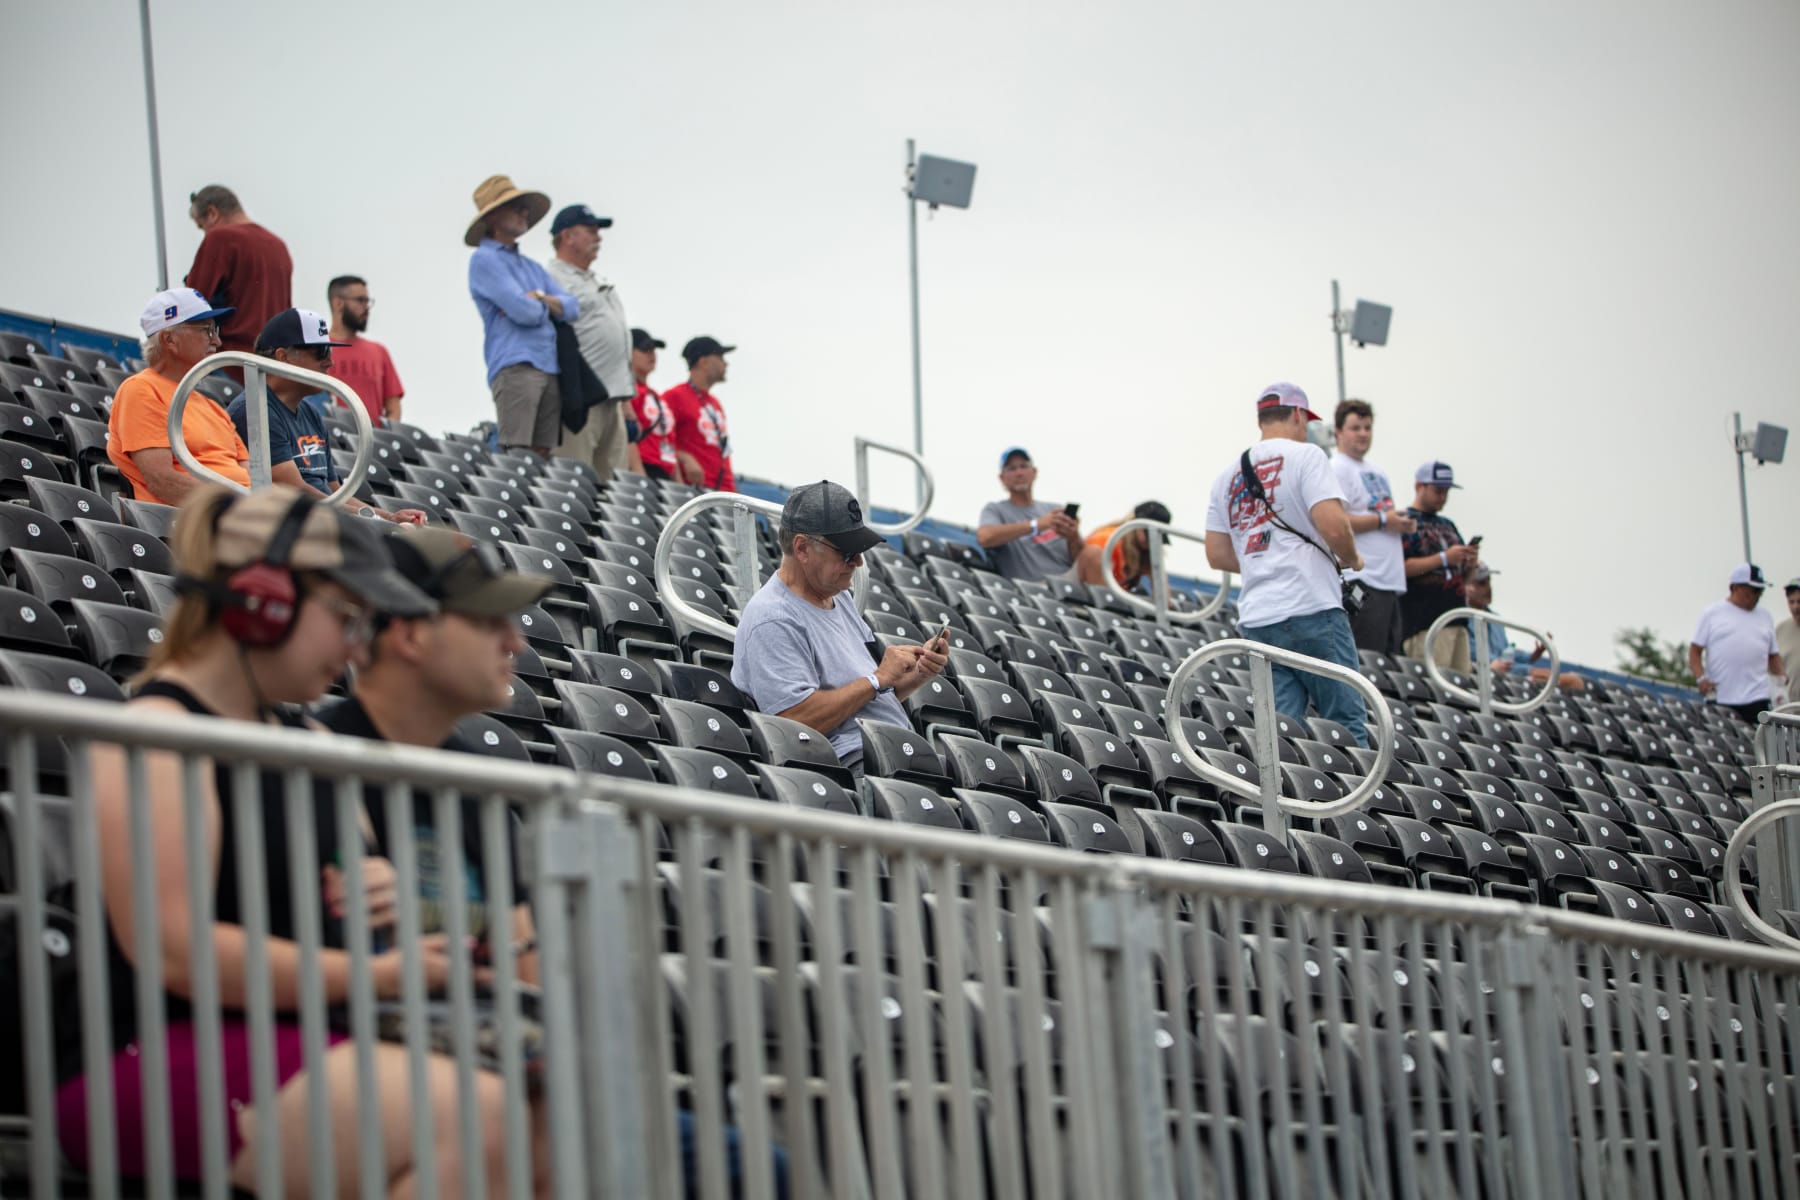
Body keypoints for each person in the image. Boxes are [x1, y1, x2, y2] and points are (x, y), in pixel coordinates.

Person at [55, 485, 540, 1194]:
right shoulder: (152, 733)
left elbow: (359, 900)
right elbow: (176, 949)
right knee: (480, 1114)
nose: (354, 647)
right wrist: (379, 973)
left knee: (546, 1124)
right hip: (150, 1053)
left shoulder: (308, 740)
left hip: (310, 1035)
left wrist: (389, 901)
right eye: (343, 617)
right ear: (262, 603)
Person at [316, 527, 550, 976]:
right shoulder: (306, 766)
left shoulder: (477, 779)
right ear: (410, 637)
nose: (515, 643)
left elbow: (525, 972)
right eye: (488, 621)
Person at [732, 480, 949, 775]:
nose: (858, 562)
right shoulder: (772, 618)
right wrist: (877, 679)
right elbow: (795, 720)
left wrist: (915, 676)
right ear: (803, 548)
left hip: (890, 751)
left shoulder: (839, 598)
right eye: (847, 552)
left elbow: (861, 699)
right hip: (851, 766)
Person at [1204, 383, 1370, 746]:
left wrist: (1261, 559)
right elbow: (1332, 524)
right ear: (1298, 415)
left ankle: (1285, 801)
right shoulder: (1307, 456)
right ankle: (1356, 803)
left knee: (1279, 731)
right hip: (1311, 603)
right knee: (1345, 721)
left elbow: (1216, 554)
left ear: (1261, 419)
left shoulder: (1225, 476)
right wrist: (1352, 559)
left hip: (1259, 616)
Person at [228, 308, 427, 524]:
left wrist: (390, 518)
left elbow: (334, 491)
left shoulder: (309, 413)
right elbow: (295, 491)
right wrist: (369, 521)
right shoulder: (255, 410)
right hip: (298, 524)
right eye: (321, 352)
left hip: (324, 521)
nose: (330, 363)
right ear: (283, 357)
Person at [465, 174, 579, 457]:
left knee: (542, 455)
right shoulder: (484, 259)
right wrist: (548, 305)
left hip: (547, 366)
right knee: (516, 452)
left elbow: (573, 307)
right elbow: (524, 311)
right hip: (516, 365)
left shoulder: (531, 266)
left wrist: (538, 298)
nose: (524, 213)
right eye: (515, 207)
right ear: (492, 216)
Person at [108, 287, 252, 505]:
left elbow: (251, 478)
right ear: (170, 339)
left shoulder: (213, 407)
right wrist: (236, 506)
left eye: (216, 330)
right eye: (207, 330)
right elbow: (164, 482)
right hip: (192, 524)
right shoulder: (141, 390)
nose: (217, 341)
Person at [543, 204, 641, 480]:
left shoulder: (597, 279)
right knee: (573, 480)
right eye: (590, 231)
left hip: (612, 397)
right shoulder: (551, 277)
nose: (598, 237)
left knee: (612, 488)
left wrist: (625, 396)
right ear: (567, 236)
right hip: (580, 397)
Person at [1330, 399, 1416, 656]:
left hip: (1388, 582)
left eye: (1367, 427)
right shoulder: (1337, 467)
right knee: (1367, 661)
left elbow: (1380, 514)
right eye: (1356, 428)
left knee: (1388, 666)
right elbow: (1335, 520)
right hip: (1363, 579)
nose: (1363, 434)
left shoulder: (1377, 471)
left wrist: (1399, 523)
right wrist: (1383, 520)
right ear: (1338, 432)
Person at [184, 185, 293, 360]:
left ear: (212, 213)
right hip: (273, 364)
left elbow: (190, 304)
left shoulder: (220, 238)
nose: (204, 233)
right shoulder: (278, 245)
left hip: (231, 361)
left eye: (201, 226)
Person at [1399, 461, 1479, 672]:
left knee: (1460, 689)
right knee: (1433, 688)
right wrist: (1444, 558)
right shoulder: (1404, 521)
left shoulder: (1448, 525)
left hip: (1457, 620)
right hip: (1425, 623)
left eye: (1445, 492)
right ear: (1420, 487)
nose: (1442, 497)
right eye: (1437, 490)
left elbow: (1466, 579)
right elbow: (1401, 568)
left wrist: (1470, 563)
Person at [1689, 564, 1786, 723]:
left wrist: (1781, 677)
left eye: (1761, 591)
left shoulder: (1765, 616)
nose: (1758, 595)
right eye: (1753, 590)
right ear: (1735, 588)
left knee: (1758, 742)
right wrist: (1701, 679)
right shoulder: (1712, 613)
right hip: (1722, 695)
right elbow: (1694, 651)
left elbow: (1773, 655)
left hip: (1757, 696)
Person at [1463, 565, 1584, 691]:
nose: (1488, 588)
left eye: (1489, 582)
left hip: (1510, 672)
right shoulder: (1462, 617)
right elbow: (1477, 656)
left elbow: (1506, 652)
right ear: (1467, 587)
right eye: (1482, 583)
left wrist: (1532, 656)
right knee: (1572, 682)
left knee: (1575, 682)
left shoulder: (1495, 619)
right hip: (1493, 675)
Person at [977, 448, 1084, 581]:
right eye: (1011, 468)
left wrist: (1073, 536)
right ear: (1002, 478)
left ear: (1034, 472)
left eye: (1024, 466)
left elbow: (1080, 559)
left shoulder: (1055, 510)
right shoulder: (995, 510)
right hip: (1032, 590)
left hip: (1070, 584)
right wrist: (1036, 525)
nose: (1019, 473)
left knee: (1094, 554)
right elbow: (985, 537)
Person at [320, 275, 405, 425]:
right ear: (338, 303)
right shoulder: (315, 348)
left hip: (371, 442)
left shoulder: (379, 352)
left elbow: (394, 407)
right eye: (360, 300)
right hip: (330, 440)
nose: (366, 307)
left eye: (367, 301)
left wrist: (381, 437)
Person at [663, 336, 736, 490]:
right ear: (704, 362)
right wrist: (684, 457)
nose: (726, 363)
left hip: (720, 493)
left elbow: (723, 453)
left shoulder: (715, 403)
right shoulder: (674, 397)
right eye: (720, 357)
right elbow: (658, 442)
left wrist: (732, 492)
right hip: (692, 492)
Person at [1077, 500, 1172, 590]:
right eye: (1148, 535)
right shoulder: (1107, 540)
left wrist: (1157, 561)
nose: (1152, 542)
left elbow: (1164, 599)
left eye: (1158, 539)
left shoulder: (1144, 551)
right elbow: (1100, 593)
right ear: (1136, 524)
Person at [629, 328, 680, 480]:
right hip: (644, 470)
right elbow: (627, 437)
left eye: (653, 349)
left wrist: (679, 483)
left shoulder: (656, 395)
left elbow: (671, 442)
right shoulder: (629, 392)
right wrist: (640, 477)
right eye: (645, 349)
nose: (652, 354)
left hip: (665, 471)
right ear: (628, 352)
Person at [1781, 578, 1800, 705]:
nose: (1795, 607)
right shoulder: (1779, 630)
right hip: (1791, 708)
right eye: (1791, 602)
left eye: (1799, 602)